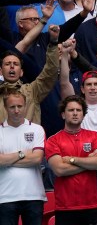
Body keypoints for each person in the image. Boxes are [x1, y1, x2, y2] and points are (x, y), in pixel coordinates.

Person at [45, 95, 97, 225]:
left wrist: (72, 160)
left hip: (92, 205)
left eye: (78, 110)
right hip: (65, 207)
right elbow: (60, 170)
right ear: (63, 115)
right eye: (70, 110)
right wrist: (89, 162)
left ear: (83, 115)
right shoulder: (53, 140)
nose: (75, 113)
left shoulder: (95, 137)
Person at [0, 90, 46, 225]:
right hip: (5, 196)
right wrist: (22, 153)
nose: (16, 110)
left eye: (19, 106)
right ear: (5, 108)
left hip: (33, 195)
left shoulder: (37, 129)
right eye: (12, 107)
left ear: (25, 106)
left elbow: (37, 159)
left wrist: (6, 160)